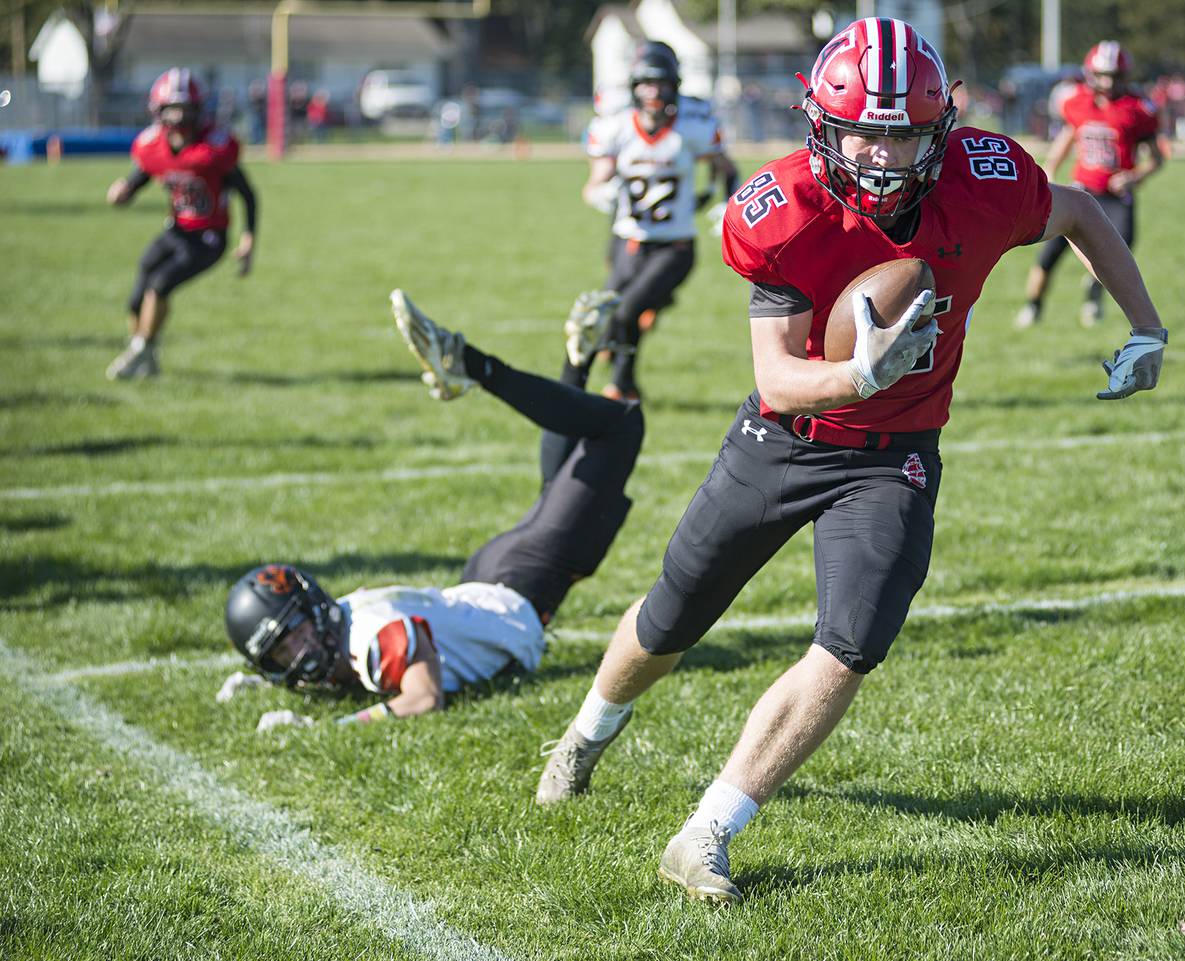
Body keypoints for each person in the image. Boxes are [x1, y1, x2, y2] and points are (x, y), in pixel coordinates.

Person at [533, 17, 1169, 904]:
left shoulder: (984, 181)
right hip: (783, 441)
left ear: (937, 131)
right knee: (673, 616)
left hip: (896, 454)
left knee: (853, 639)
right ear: (821, 127)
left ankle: (708, 829)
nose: (878, 153)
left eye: (900, 131)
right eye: (862, 131)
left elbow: (1079, 209)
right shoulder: (784, 211)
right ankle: (585, 736)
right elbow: (779, 378)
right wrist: (857, 372)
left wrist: (1146, 324)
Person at [221, 291, 645, 729]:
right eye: (281, 654)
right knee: (578, 469)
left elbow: (423, 697)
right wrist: (267, 683)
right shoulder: (342, 625)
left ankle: (477, 365)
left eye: (295, 638)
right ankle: (573, 364)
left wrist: (326, 727)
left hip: (515, 585)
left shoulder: (372, 634)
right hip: (497, 583)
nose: (298, 655)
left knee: (620, 425)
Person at [562, 40, 739, 402]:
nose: (654, 93)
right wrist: (600, 192)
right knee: (606, 316)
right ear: (634, 87)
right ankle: (584, 387)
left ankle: (620, 385)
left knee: (626, 312)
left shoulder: (691, 127)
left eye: (660, 84)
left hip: (674, 246)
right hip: (630, 242)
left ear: (674, 86)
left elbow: (727, 168)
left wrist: (726, 203)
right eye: (646, 84)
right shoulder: (619, 128)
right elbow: (594, 182)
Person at [105, 68, 257, 380]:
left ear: (198, 111)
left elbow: (248, 193)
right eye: (171, 110)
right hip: (176, 230)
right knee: (138, 293)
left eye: (184, 109)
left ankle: (138, 352)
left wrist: (248, 239)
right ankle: (147, 355)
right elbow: (140, 178)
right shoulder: (153, 147)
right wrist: (123, 193)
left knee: (160, 285)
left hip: (208, 237)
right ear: (158, 111)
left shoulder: (213, 149)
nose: (177, 118)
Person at [1015, 42, 1164, 329]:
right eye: (1103, 74)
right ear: (1091, 73)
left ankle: (1094, 294)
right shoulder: (1078, 101)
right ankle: (1033, 307)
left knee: (1116, 256)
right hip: (1080, 190)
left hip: (1117, 196)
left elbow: (1157, 158)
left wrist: (1136, 176)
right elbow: (1069, 136)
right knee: (1047, 255)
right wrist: (1049, 169)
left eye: (1115, 76)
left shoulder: (1137, 108)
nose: (1108, 82)